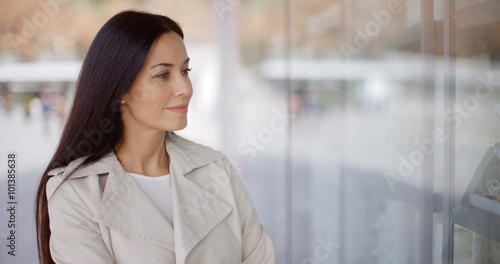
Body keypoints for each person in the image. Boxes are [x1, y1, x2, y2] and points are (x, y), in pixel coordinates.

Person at [35, 10, 277, 264]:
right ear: (119, 88)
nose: (185, 89)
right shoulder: (75, 194)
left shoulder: (217, 169)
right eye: (163, 75)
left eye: (185, 71)